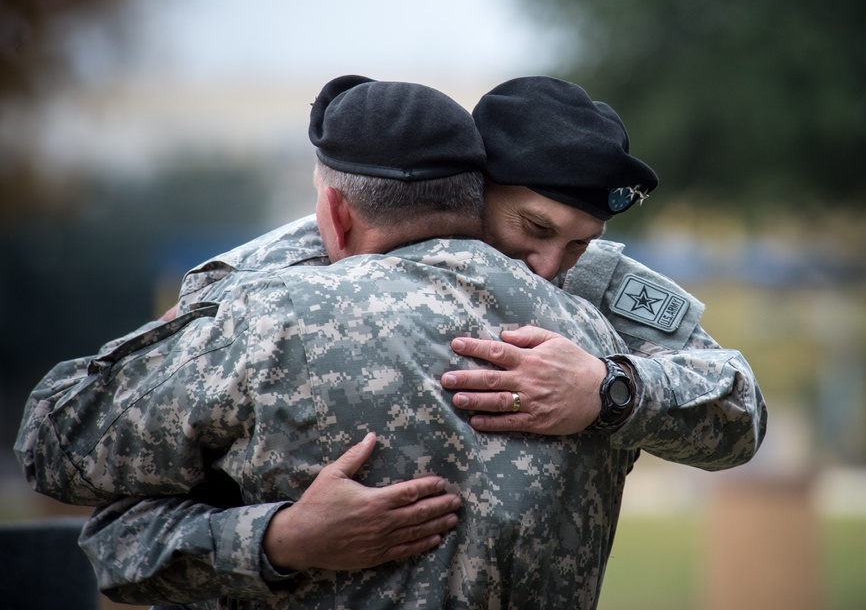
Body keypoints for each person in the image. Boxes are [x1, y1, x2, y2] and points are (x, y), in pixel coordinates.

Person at [15, 75, 766, 602]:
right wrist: (278, 538)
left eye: (577, 244)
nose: (548, 267)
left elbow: (739, 407)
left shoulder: (589, 289)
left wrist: (608, 389)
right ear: (472, 187)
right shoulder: (293, 270)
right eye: (533, 229)